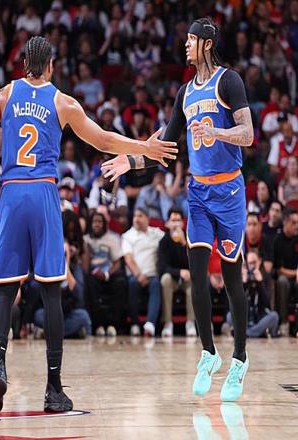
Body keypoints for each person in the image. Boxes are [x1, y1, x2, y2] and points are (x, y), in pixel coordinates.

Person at [0, 36, 176, 415]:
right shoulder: (63, 102)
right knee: (51, 291)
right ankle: (54, 388)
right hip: (44, 193)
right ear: (49, 66)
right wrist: (144, 147)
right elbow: (103, 140)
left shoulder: (4, 95)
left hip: (12, 194)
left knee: (4, 290)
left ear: (24, 64)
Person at [102, 17, 254, 401]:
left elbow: (248, 134)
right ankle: (208, 353)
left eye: (191, 40)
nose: (186, 45)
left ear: (207, 43)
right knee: (196, 274)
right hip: (199, 193)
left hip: (230, 192)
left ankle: (239, 359)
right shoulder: (185, 92)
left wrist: (216, 132)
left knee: (232, 280)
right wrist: (130, 161)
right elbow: (164, 148)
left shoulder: (229, 81)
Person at [83, 212, 127, 336]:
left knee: (121, 282)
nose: (97, 224)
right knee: (88, 283)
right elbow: (85, 267)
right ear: (90, 224)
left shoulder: (113, 238)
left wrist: (107, 274)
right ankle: (98, 325)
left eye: (99, 222)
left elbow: (117, 263)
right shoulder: (85, 239)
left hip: (109, 273)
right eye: (94, 222)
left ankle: (114, 325)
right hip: (93, 274)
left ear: (104, 224)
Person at [122, 208, 164, 337]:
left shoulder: (156, 233)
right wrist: (139, 275)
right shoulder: (128, 236)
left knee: (156, 284)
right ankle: (134, 324)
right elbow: (128, 258)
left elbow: (169, 241)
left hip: (153, 275)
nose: (136, 219)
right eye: (135, 216)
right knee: (133, 284)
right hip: (136, 275)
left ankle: (150, 324)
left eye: (140, 216)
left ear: (147, 219)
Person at [158, 208, 196, 338]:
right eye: (173, 220)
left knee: (194, 282)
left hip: (188, 279)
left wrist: (184, 243)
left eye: (178, 220)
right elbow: (162, 267)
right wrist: (179, 272)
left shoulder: (189, 239)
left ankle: (190, 323)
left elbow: (194, 263)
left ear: (183, 223)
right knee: (165, 279)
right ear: (167, 223)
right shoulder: (163, 242)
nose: (176, 224)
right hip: (173, 278)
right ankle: (168, 323)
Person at [226, 250, 279, 338]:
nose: (252, 266)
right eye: (249, 263)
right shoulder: (241, 276)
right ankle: (254, 332)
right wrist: (244, 284)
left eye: (254, 262)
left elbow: (267, 303)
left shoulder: (265, 276)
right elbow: (236, 303)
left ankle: (246, 333)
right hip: (245, 318)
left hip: (260, 317)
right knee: (229, 315)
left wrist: (260, 283)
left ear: (259, 261)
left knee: (274, 316)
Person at [273, 207, 298, 336]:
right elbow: (280, 270)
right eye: (294, 223)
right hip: (286, 275)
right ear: (285, 223)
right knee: (282, 282)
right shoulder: (278, 240)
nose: (297, 226)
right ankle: (284, 321)